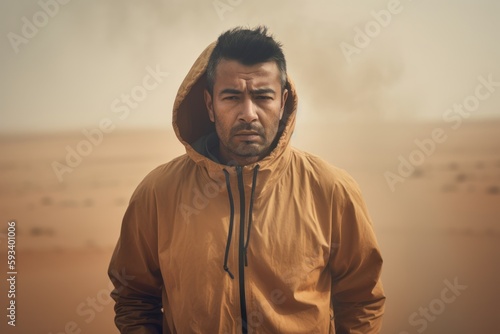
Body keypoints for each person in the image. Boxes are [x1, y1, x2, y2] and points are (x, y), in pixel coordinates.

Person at [108, 26, 385, 334]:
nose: (248, 114)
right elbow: (134, 297)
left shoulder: (331, 189)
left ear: (282, 102)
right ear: (210, 105)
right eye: (232, 97)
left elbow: (362, 300)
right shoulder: (158, 193)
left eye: (262, 96)